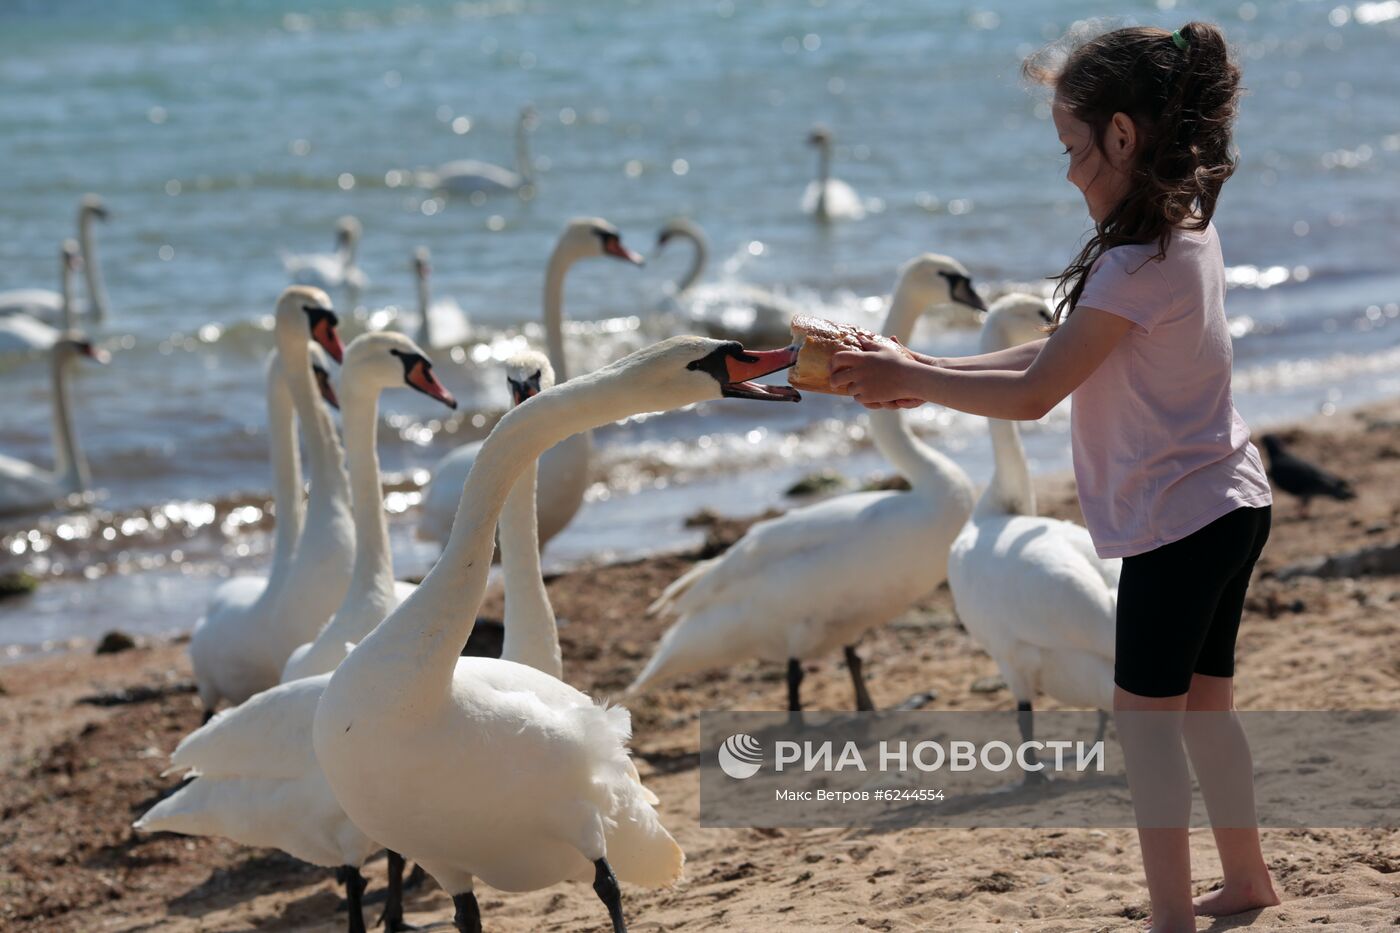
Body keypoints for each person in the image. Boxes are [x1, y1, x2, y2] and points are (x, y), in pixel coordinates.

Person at [829, 22, 1278, 933]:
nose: (1070, 172)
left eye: (1074, 149)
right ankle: (1247, 878)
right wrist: (917, 362)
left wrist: (910, 382)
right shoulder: (1186, 229)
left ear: (1123, 135)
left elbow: (1037, 394)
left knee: (1147, 725)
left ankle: (1169, 919)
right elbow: (1056, 353)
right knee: (1204, 713)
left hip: (1177, 523)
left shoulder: (1129, 262)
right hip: (1231, 500)